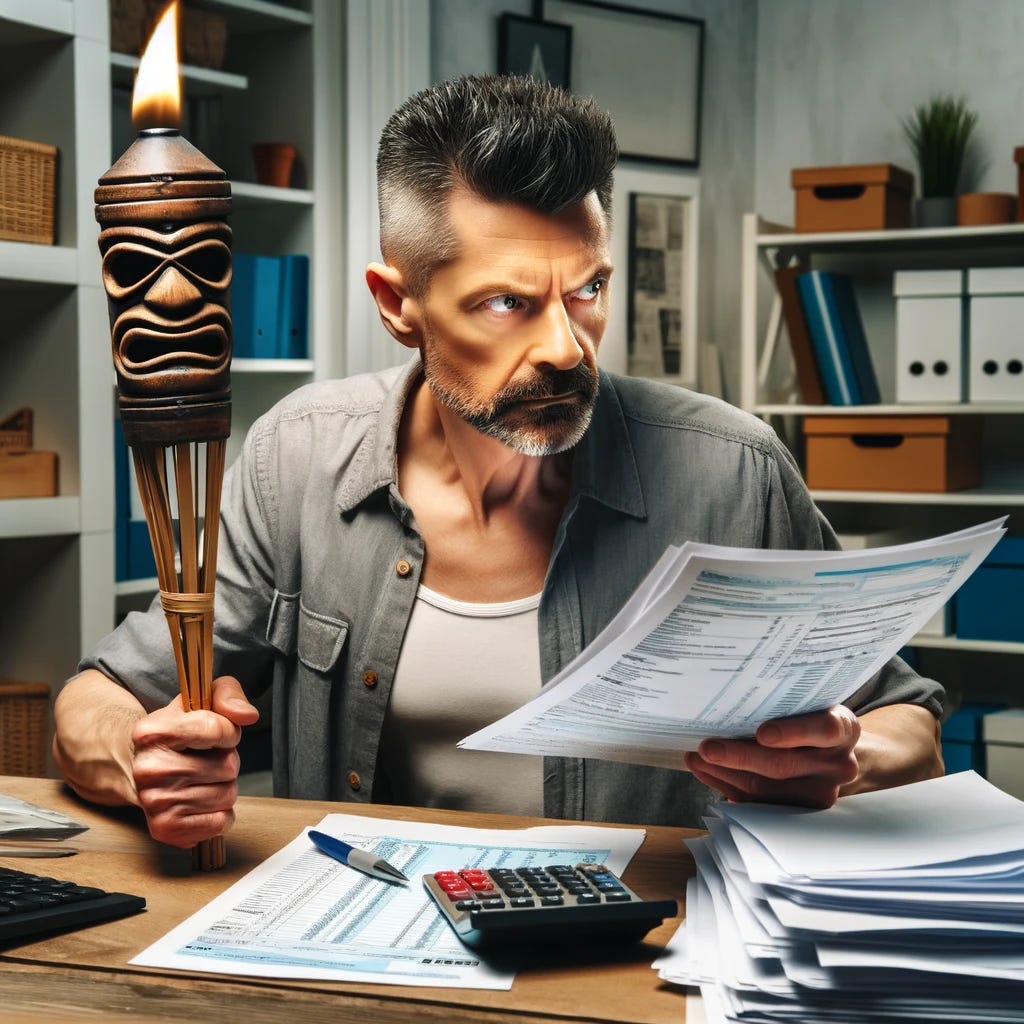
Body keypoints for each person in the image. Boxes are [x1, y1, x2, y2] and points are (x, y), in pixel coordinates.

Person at [54, 75, 944, 850]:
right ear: (397, 303)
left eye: (586, 289)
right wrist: (149, 763)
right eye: (508, 302)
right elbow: (96, 702)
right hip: (365, 946)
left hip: (646, 957)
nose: (566, 348)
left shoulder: (733, 471)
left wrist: (846, 756)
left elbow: (908, 723)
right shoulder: (297, 458)